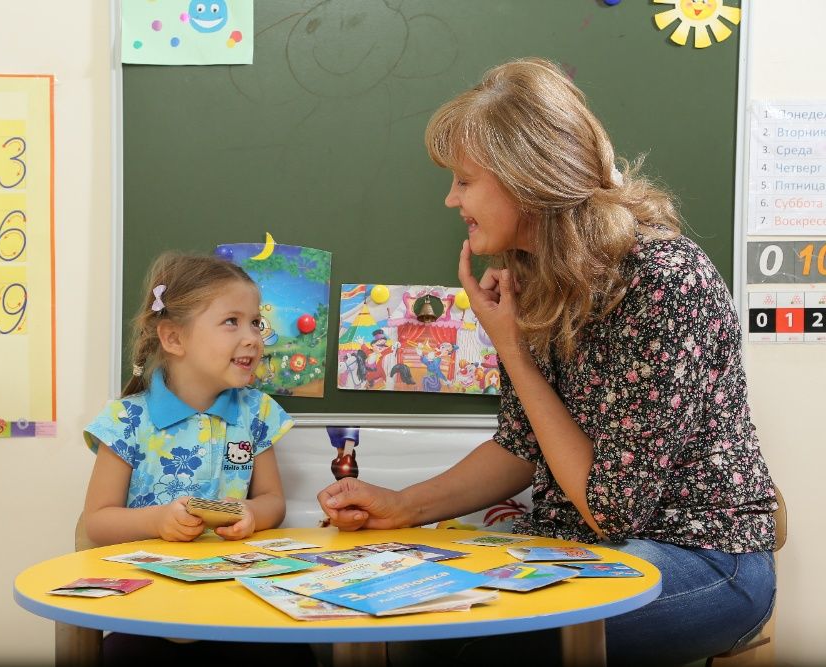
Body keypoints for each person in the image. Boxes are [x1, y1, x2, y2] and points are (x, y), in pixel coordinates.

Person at [316, 58, 777, 667]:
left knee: (452, 644)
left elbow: (611, 511)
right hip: (581, 548)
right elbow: (521, 446)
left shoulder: (665, 281)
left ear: (526, 179)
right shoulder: (537, 279)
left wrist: (511, 348)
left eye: (464, 181)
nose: (451, 199)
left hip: (704, 559)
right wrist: (403, 505)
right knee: (375, 620)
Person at [81, 252, 314, 665]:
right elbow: (96, 521)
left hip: (238, 599)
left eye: (255, 322)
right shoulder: (125, 420)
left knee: (293, 655)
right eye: (232, 321)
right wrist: (158, 521)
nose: (253, 337)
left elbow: (272, 500)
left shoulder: (256, 412)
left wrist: (250, 514)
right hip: (148, 605)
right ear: (174, 338)